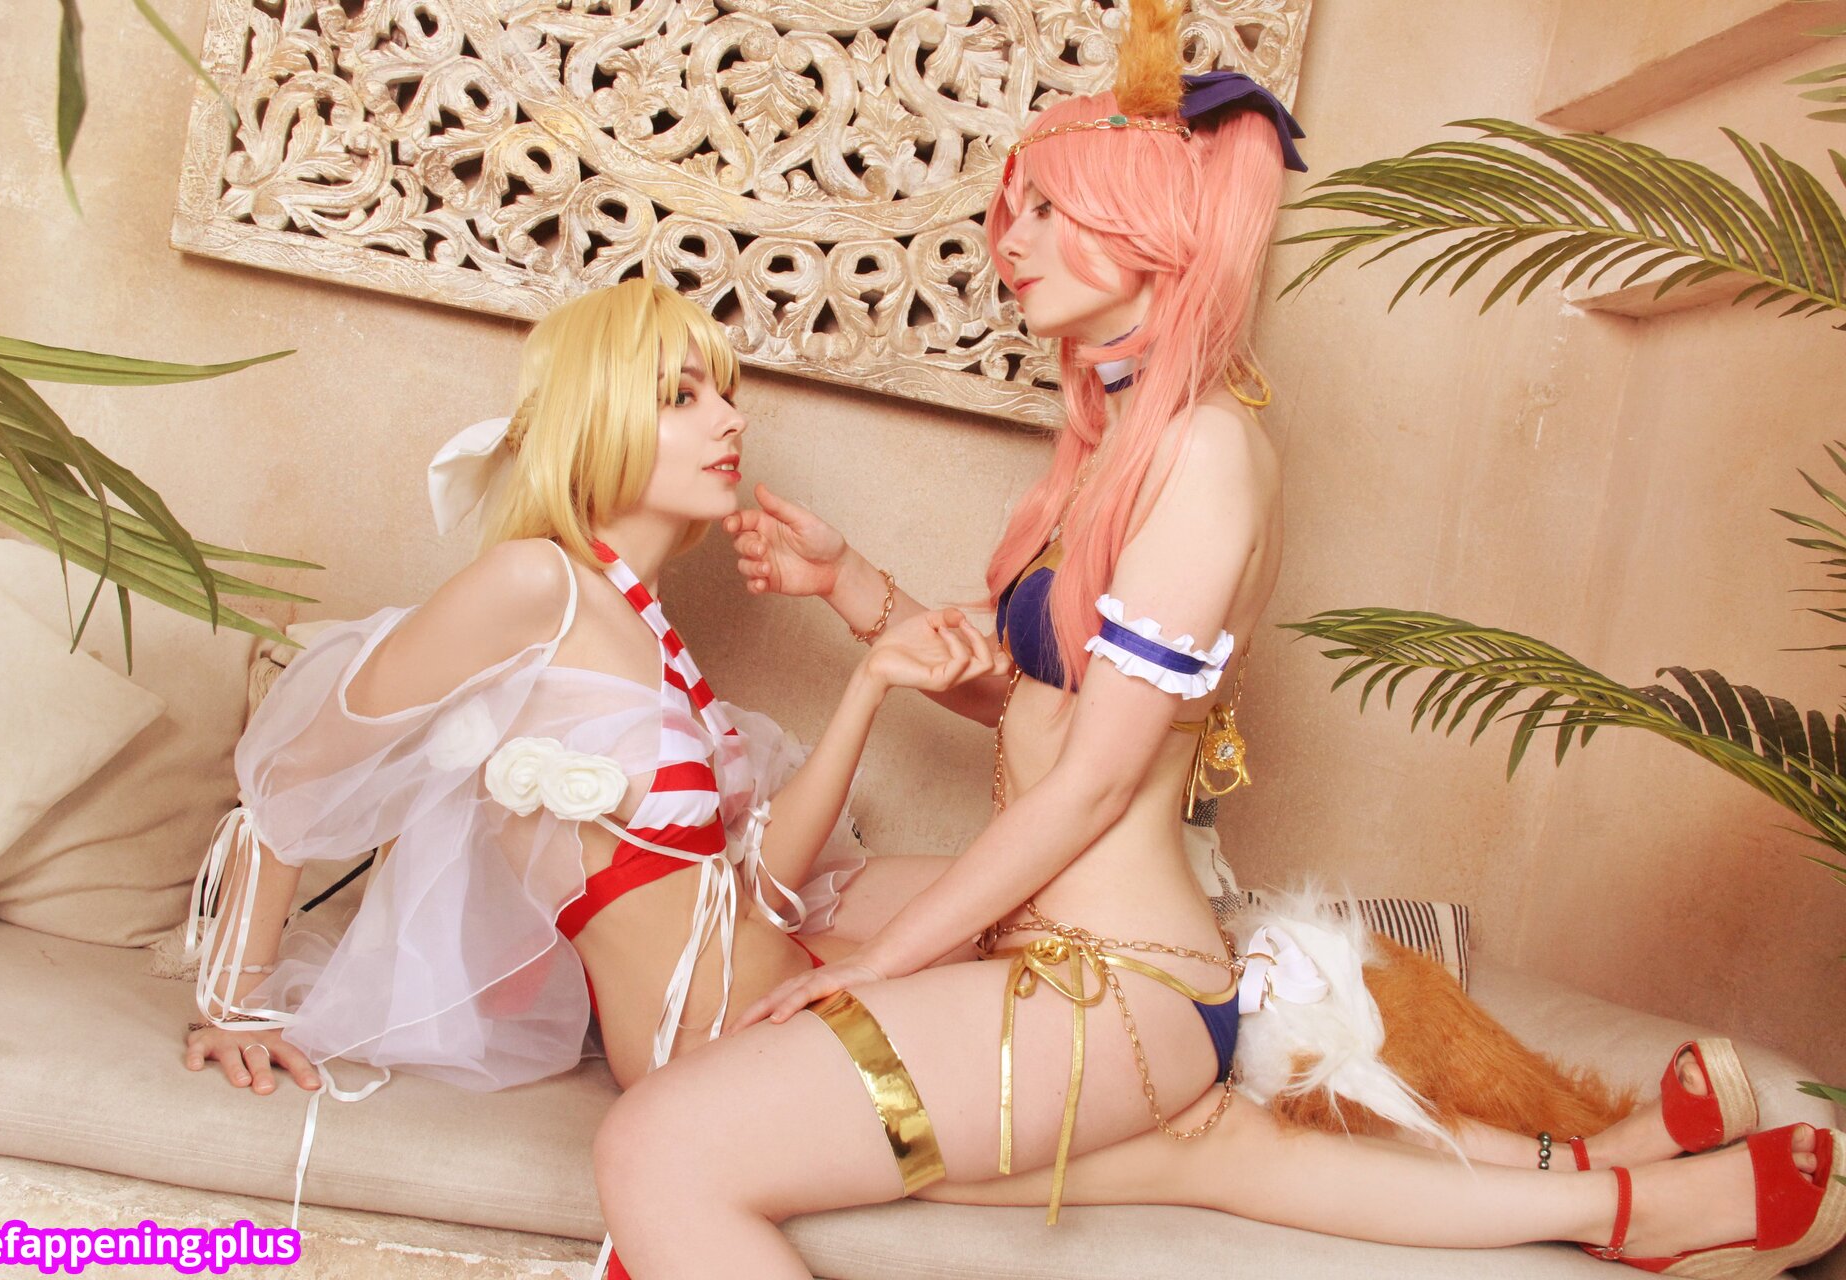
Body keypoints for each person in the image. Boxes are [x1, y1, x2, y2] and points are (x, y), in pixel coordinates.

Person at [588, 3, 1844, 1275]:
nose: (1009, 242)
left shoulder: (1206, 454)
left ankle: (1616, 1187)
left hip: (1113, 979)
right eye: (1014, 211)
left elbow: (1092, 783)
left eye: (1048, 210)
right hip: (1073, 973)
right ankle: (1622, 1194)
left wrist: (887, 963)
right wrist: (853, 586)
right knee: (1204, 1153)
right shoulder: (1121, 448)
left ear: (1149, 222)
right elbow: (1045, 710)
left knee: (661, 1142)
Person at [178, 278, 1001, 1204]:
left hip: (766, 977)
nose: (730, 419)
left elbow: (752, 894)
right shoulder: (536, 584)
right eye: (682, 396)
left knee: (1037, 910)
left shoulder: (638, 616)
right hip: (713, 1041)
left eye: (727, 393)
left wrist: (871, 682)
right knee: (1033, 1021)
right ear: (596, 418)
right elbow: (298, 770)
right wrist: (234, 1002)